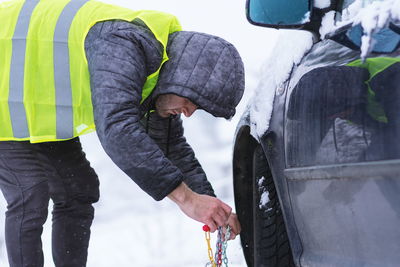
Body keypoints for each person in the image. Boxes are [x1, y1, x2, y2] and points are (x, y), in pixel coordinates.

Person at [0, 0, 245, 266]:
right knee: (30, 194)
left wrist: (208, 203)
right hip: (7, 98)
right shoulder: (122, 44)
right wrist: (187, 199)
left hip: (30, 106)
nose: (189, 112)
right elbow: (118, 129)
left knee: (78, 189)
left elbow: (169, 146)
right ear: (183, 79)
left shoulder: (154, 76)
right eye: (193, 102)